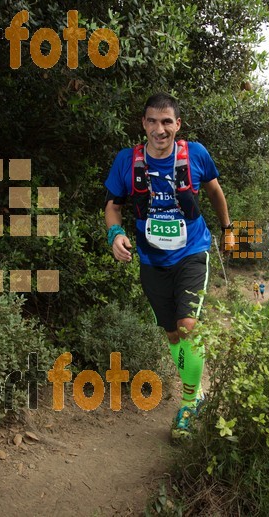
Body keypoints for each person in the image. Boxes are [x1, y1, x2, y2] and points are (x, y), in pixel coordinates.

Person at [104, 93, 234, 440]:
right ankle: (197, 389)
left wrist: (228, 228)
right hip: (151, 258)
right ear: (143, 124)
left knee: (188, 325)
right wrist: (114, 234)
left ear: (177, 125)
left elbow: (214, 191)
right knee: (173, 333)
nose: (159, 129)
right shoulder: (127, 162)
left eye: (166, 122)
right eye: (152, 121)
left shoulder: (195, 155)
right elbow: (113, 206)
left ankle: (188, 404)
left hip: (192, 250)